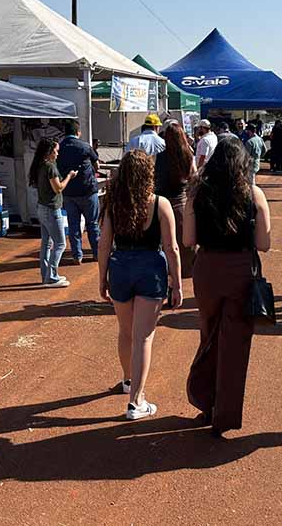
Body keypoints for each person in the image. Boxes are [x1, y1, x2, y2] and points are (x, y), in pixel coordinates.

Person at [184, 137, 272, 437]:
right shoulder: (253, 193)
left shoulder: (198, 193)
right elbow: (264, 243)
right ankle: (225, 415)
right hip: (241, 271)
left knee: (209, 335)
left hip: (207, 268)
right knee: (236, 343)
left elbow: (188, 240)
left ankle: (205, 402)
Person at [98, 151, 181, 420]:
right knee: (143, 337)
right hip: (150, 270)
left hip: (120, 267)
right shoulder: (160, 204)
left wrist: (102, 278)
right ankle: (136, 401)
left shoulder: (113, 204)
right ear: (148, 174)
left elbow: (104, 244)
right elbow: (172, 248)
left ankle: (128, 380)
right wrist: (177, 284)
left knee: (126, 332)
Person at [28, 138, 76, 287]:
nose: (57, 154)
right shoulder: (50, 167)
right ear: (49, 151)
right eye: (56, 151)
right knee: (60, 244)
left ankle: (46, 275)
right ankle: (52, 277)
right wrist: (69, 177)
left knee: (46, 243)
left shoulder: (40, 165)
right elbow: (58, 188)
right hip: (51, 210)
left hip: (42, 208)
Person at [56, 119, 101, 265]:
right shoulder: (85, 146)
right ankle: (97, 254)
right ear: (78, 132)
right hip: (88, 191)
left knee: (73, 225)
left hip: (69, 193)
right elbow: (97, 165)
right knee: (92, 224)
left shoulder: (59, 147)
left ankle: (77, 256)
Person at [156, 123, 197, 277]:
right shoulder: (188, 155)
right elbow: (194, 177)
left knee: (163, 239)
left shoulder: (160, 156)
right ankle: (185, 270)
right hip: (181, 201)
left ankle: (167, 269)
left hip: (162, 202)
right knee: (184, 239)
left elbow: (155, 178)